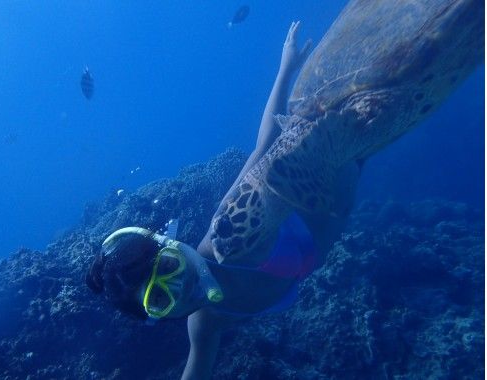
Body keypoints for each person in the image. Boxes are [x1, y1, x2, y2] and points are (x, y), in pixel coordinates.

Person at [86, 21, 360, 380]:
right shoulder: (206, 323)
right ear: (156, 316)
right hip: (351, 185)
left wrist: (285, 70)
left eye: (168, 268)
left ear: (173, 244)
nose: (179, 288)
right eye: (159, 298)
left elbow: (264, 147)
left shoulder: (229, 234)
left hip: (341, 158)